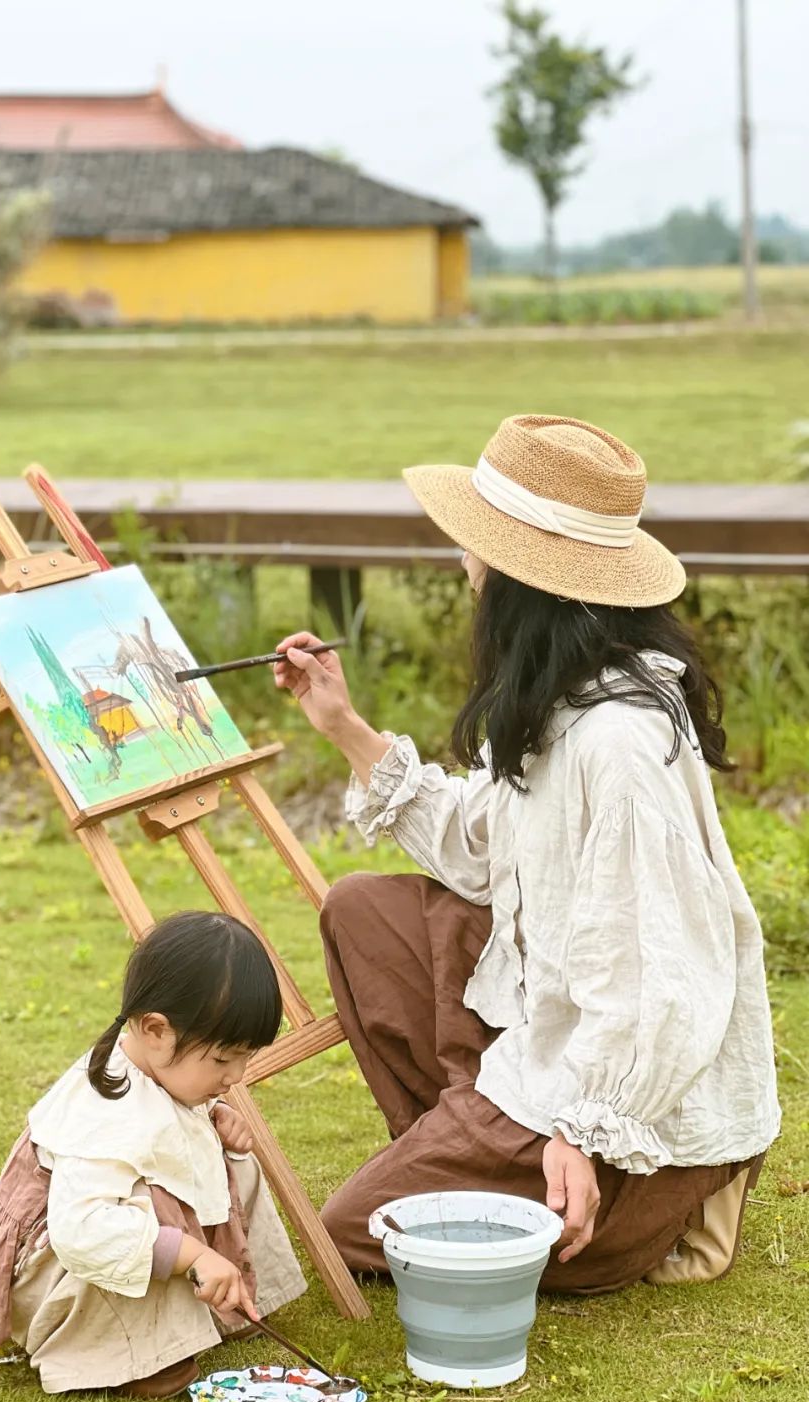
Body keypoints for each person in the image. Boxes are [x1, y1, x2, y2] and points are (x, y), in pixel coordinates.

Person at [274, 413, 781, 1294]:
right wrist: (344, 725)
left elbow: (660, 972)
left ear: (521, 578)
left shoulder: (616, 743)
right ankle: (470, 1152)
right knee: (363, 909)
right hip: (560, 1036)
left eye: (476, 546)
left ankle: (647, 1204)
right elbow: (483, 848)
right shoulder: (565, 699)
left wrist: (584, 1130)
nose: (463, 565)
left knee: (357, 1229)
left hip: (622, 1103)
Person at [0, 911, 306, 1397]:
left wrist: (215, 1122)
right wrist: (193, 1252)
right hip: (63, 1261)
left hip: (103, 1228)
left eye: (246, 1057)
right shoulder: (104, 1112)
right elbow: (83, 1232)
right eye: (222, 1059)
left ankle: (216, 1306)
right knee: (140, 1202)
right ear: (155, 1030)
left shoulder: (161, 1069)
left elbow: (167, 1134)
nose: (236, 1075)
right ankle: (124, 1351)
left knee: (238, 1164)